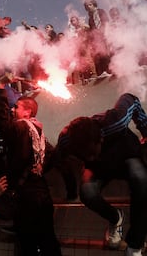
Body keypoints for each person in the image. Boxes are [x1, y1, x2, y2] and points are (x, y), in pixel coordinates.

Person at [56, 93, 147, 256]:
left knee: (141, 180)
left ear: (101, 140)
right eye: (85, 154)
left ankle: (135, 245)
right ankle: (115, 217)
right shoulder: (66, 140)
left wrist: (145, 131)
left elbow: (131, 99)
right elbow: (59, 160)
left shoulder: (115, 122)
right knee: (87, 192)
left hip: (126, 156)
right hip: (99, 168)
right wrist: (71, 190)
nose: (90, 157)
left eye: (92, 152)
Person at [0, 74, 62, 256]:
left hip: (27, 197)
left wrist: (0, 87)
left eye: (16, 107)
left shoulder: (21, 126)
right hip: (42, 193)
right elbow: (53, 154)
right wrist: (39, 169)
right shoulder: (39, 133)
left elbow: (2, 123)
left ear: (27, 112)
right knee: (48, 241)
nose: (13, 110)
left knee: (27, 244)